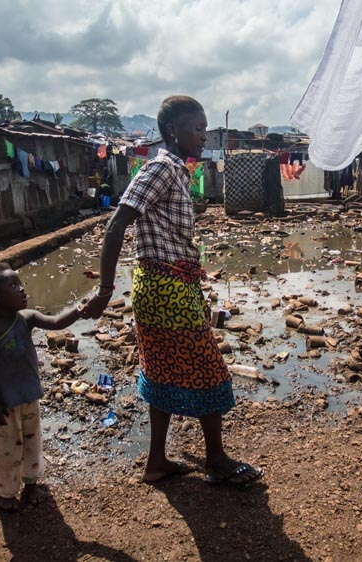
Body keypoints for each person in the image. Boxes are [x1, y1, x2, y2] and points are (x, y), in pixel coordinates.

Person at [82, 95, 263, 487]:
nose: (202, 136)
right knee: (208, 370)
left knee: (162, 370)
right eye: (196, 128)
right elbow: (116, 226)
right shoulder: (161, 168)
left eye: (203, 127)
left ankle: (157, 462)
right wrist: (104, 288)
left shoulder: (176, 171)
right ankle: (215, 460)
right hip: (166, 289)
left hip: (167, 284)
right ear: (171, 131)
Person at [0, 262, 83, 512]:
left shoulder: (26, 318)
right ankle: (6, 492)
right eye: (13, 286)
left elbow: (56, 321)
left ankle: (32, 483)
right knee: (6, 451)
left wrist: (80, 309)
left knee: (32, 444)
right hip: (3, 404)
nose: (22, 289)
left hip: (28, 397)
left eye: (20, 283)